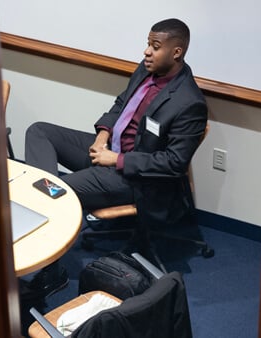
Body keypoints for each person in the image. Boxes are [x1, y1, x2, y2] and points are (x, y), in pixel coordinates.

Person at [23, 18, 208, 299]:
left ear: (176, 52)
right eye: (148, 44)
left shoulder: (188, 102)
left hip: (133, 175)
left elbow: (173, 163)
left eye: (155, 46)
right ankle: (46, 191)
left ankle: (51, 272)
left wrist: (115, 161)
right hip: (109, 149)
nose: (147, 51)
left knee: (59, 194)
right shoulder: (146, 69)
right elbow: (121, 103)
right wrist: (102, 134)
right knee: (39, 132)